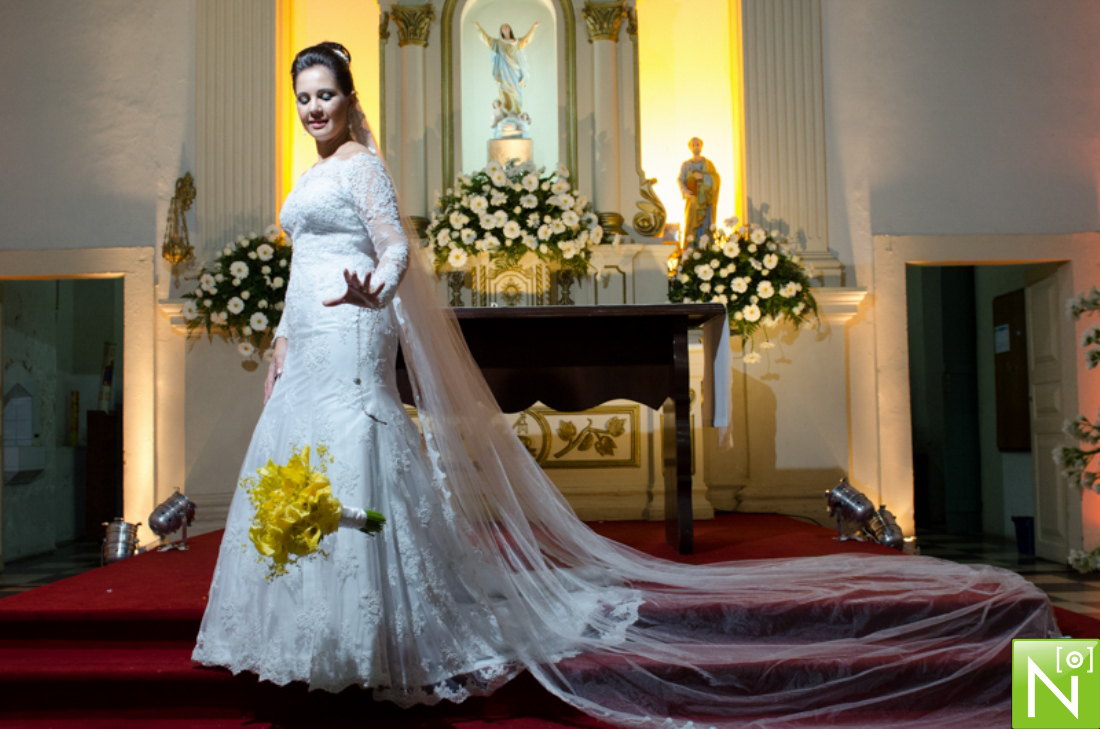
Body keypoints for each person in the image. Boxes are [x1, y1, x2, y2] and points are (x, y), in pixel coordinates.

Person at [194, 41, 1060, 727]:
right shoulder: (308, 178)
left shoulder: (364, 170)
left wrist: (375, 290)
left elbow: (395, 251)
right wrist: (278, 339)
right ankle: (305, 637)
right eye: (304, 97)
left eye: (326, 95)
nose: (314, 109)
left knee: (355, 447)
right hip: (304, 331)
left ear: (352, 100)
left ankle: (374, 635)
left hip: (353, 320)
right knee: (296, 455)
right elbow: (297, 263)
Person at [473, 21, 539, 132]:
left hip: (514, 73)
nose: (505, 27)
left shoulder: (517, 42)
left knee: (515, 94)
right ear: (501, 31)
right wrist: (479, 28)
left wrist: (533, 28)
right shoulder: (498, 43)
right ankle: (505, 114)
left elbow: (527, 39)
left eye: (507, 26)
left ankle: (515, 114)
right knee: (504, 92)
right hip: (503, 73)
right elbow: (487, 39)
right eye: (503, 27)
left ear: (510, 30)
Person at [678, 137, 721, 247]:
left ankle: (706, 249)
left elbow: (716, 179)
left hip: (705, 201)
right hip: (692, 201)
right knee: (692, 225)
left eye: (698, 144)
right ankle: (691, 249)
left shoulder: (708, 163)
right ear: (690, 147)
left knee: (705, 224)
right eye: (693, 145)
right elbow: (680, 179)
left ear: (701, 146)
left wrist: (702, 176)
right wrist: (685, 191)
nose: (696, 147)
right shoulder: (686, 165)